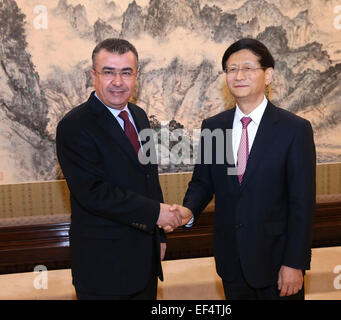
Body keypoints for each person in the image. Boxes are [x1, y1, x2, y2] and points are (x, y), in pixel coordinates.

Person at [171, 38, 316, 300]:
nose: (239, 75)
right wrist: (187, 210)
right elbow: (203, 182)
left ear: (268, 75)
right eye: (231, 69)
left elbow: (301, 203)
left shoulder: (294, 129)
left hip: (278, 262)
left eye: (248, 68)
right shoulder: (214, 127)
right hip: (231, 261)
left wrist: (295, 263)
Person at [56, 38, 189, 300]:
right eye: (108, 72)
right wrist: (156, 214)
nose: (118, 81)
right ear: (93, 75)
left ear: (136, 76)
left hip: (145, 263)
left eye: (126, 72)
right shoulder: (74, 126)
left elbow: (150, 178)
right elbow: (93, 193)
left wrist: (159, 236)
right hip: (104, 268)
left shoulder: (138, 116)